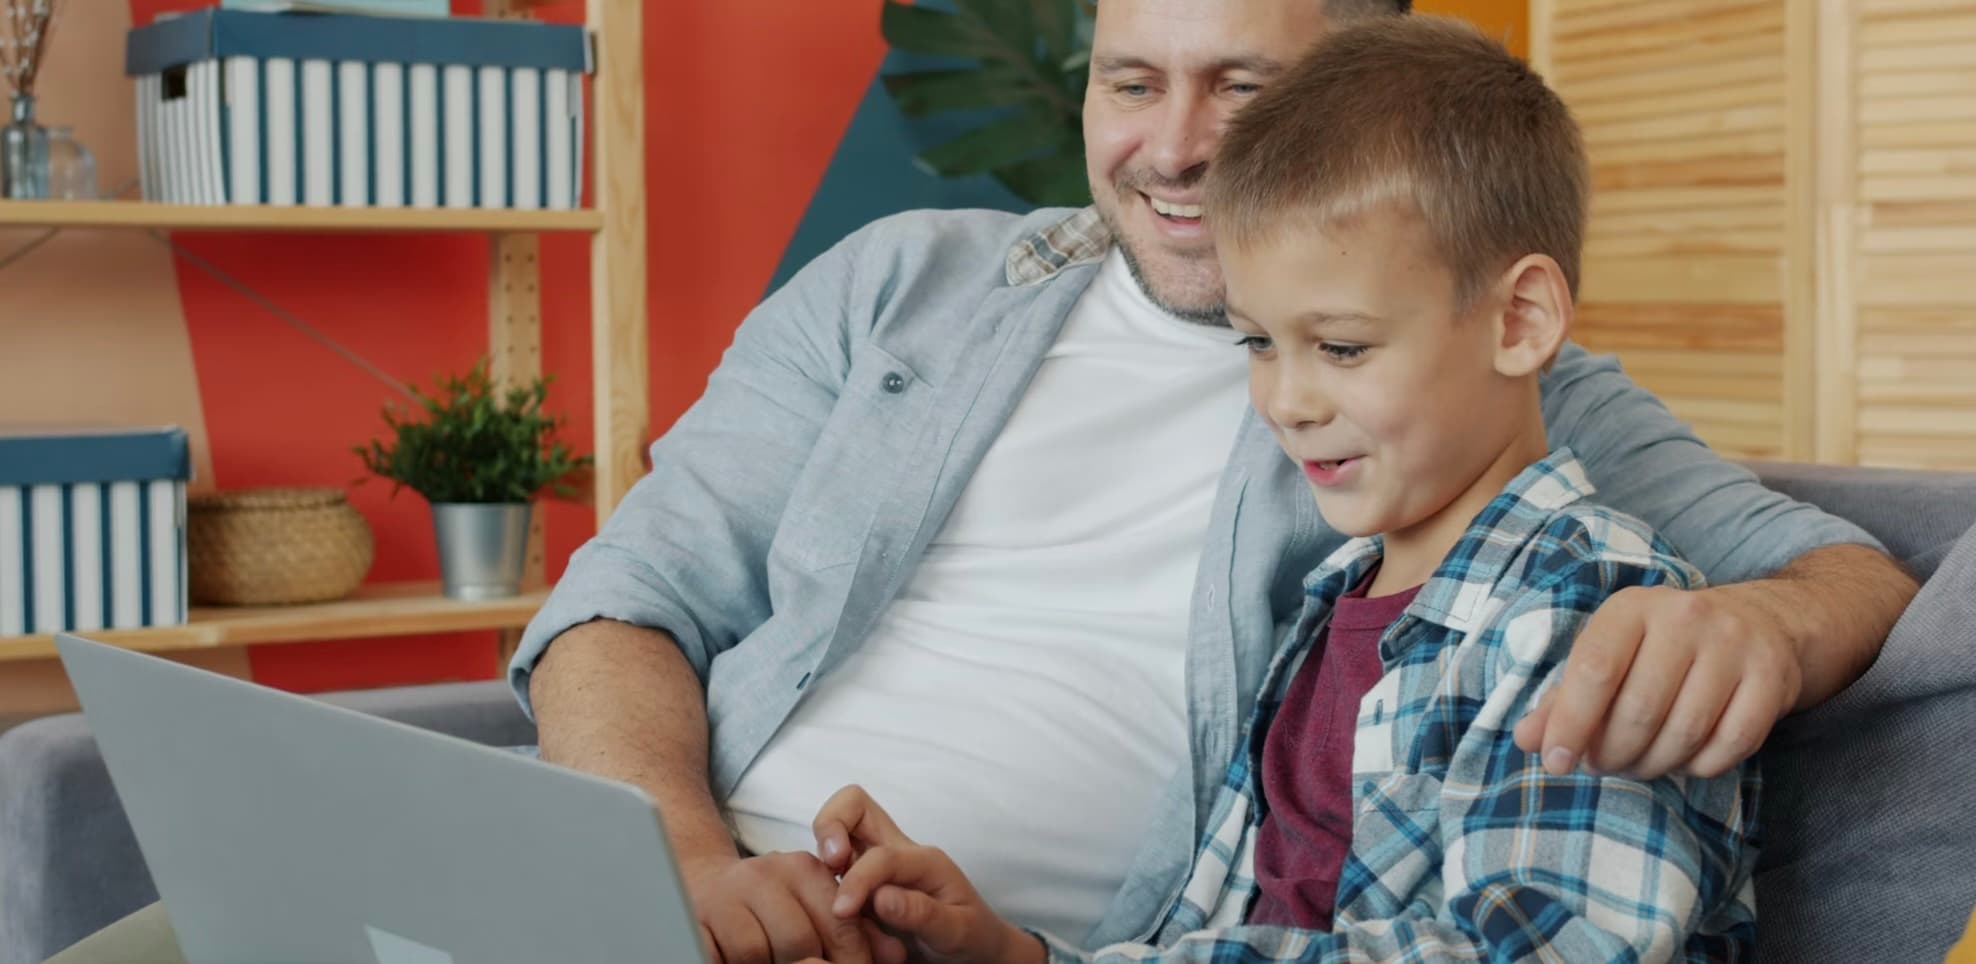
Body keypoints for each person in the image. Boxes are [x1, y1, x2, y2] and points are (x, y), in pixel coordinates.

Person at [42, 1, 1918, 963]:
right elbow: (628, 591)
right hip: (662, 878)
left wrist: (1736, 617)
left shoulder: (1487, 395)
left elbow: (1859, 570)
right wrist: (685, 863)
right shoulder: (905, 283)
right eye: (1129, 80)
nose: (1175, 150)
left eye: (1245, 93)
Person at [806, 17, 1758, 961]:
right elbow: (1232, 922)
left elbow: (1554, 951)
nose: (1287, 401)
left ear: (1519, 319)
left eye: (1341, 347)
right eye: (1256, 343)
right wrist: (1013, 956)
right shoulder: (1333, 594)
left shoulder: (1589, 612)